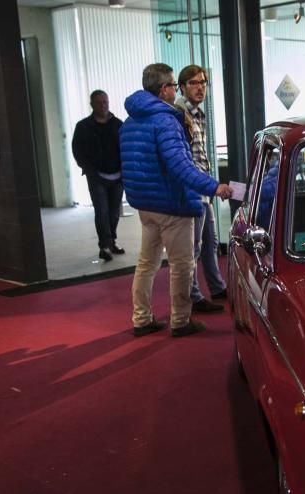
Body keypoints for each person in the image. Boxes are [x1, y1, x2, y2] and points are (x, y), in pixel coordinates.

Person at [120, 63, 232, 338]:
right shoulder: (166, 120)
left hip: (145, 205)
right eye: (173, 84)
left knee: (147, 263)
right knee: (183, 264)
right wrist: (214, 186)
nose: (176, 89)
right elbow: (180, 166)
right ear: (164, 90)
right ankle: (181, 321)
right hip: (172, 204)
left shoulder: (130, 121)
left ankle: (141, 318)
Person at [176, 64, 227, 314]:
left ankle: (217, 287)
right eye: (194, 83)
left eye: (203, 83)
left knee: (211, 241)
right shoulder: (179, 114)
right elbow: (185, 160)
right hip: (193, 189)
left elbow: (201, 155)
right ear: (182, 87)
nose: (200, 88)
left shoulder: (198, 114)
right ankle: (194, 297)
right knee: (193, 247)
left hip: (204, 186)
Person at [71, 90, 125, 262]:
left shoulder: (118, 124)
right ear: (92, 104)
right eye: (99, 102)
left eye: (105, 101)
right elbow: (77, 150)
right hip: (96, 177)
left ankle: (112, 241)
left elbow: (126, 147)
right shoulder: (83, 127)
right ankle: (104, 246)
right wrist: (87, 169)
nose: (103, 105)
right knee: (101, 211)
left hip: (117, 175)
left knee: (114, 212)